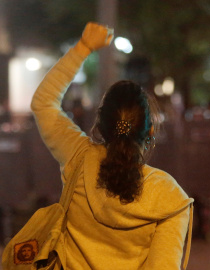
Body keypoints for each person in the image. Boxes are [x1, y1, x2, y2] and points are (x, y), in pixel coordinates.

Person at [30, 22, 193, 269]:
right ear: (149, 130)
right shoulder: (169, 198)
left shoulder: (78, 157)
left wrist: (83, 48)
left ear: (100, 124)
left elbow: (44, 103)